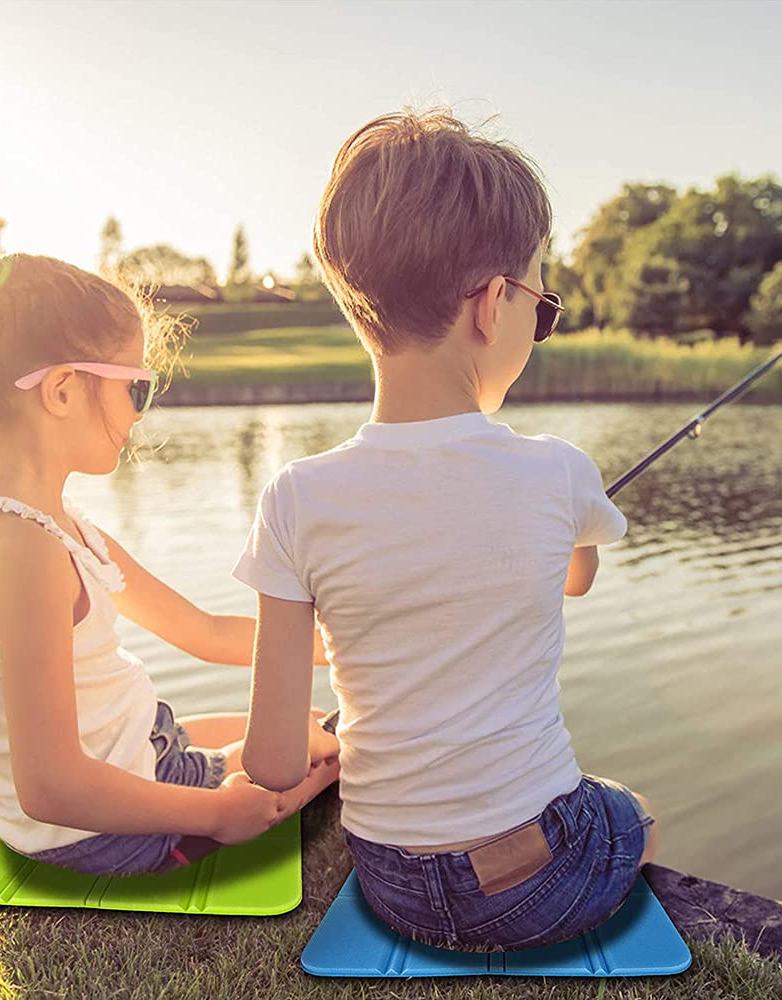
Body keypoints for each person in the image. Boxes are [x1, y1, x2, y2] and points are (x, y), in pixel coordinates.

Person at [232, 108, 658, 952]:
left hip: (389, 879)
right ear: (493, 304)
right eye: (542, 306)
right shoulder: (559, 469)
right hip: (534, 883)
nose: (539, 325)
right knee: (631, 813)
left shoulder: (294, 496)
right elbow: (575, 580)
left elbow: (273, 765)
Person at [0, 253, 339, 876]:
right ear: (63, 390)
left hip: (137, 755)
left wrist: (347, 646)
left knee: (307, 725)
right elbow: (52, 788)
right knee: (335, 746)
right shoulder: (23, 551)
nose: (139, 413)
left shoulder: (54, 528)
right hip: (99, 832)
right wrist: (218, 814)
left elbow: (205, 633)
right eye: (135, 388)